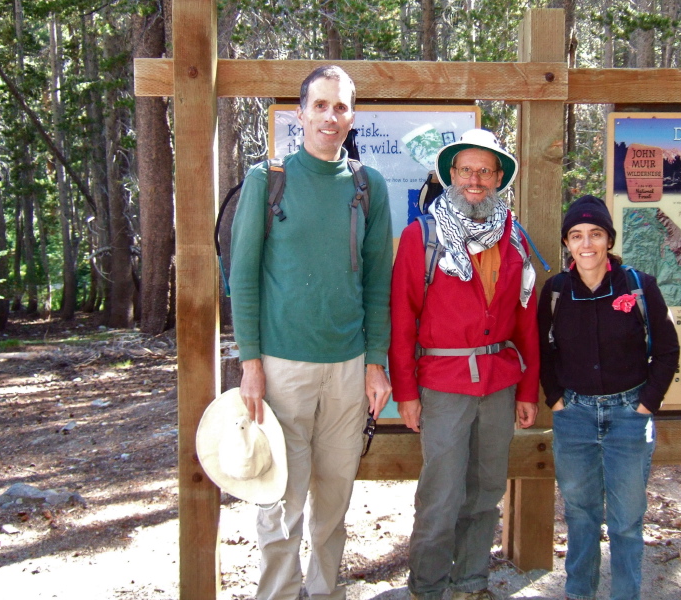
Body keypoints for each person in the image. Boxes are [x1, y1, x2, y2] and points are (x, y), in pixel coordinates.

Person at [228, 65, 393, 600]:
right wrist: (250, 364)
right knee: (279, 498)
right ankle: (277, 593)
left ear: (352, 115)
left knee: (334, 499)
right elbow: (243, 276)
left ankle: (323, 592)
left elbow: (377, 281)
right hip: (281, 368)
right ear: (299, 113)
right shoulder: (266, 180)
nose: (330, 117)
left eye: (340, 107)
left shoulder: (370, 187)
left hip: (348, 369)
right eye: (319, 105)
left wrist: (376, 362)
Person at [389, 129, 540, 600]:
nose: (475, 179)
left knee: (486, 490)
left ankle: (471, 582)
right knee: (441, 495)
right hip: (443, 385)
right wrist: (407, 394)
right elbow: (401, 320)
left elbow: (527, 321)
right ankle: (429, 587)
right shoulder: (423, 237)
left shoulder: (514, 239)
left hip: (498, 385)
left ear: (498, 178)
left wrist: (529, 390)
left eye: (486, 171)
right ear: (451, 174)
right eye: (466, 170)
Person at [538, 195, 680, 600]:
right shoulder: (556, 292)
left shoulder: (638, 286)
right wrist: (557, 400)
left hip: (628, 416)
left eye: (596, 234)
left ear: (609, 240)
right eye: (577, 235)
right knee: (581, 517)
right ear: (567, 243)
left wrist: (646, 405)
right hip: (575, 416)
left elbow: (667, 350)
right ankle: (579, 594)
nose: (587, 243)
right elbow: (543, 351)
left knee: (625, 521)